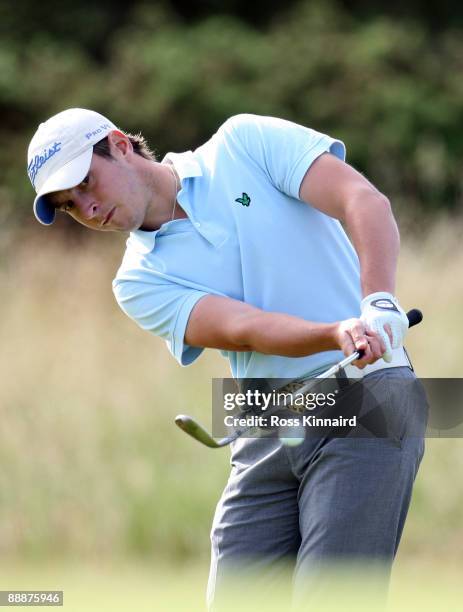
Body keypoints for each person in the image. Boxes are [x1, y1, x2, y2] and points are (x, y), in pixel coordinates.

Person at [27, 108, 426, 609]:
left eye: (86, 182)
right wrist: (333, 332)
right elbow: (245, 328)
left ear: (120, 144)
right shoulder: (137, 281)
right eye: (69, 205)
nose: (86, 207)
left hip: (367, 395)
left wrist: (378, 301)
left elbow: (361, 199)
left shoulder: (245, 142)